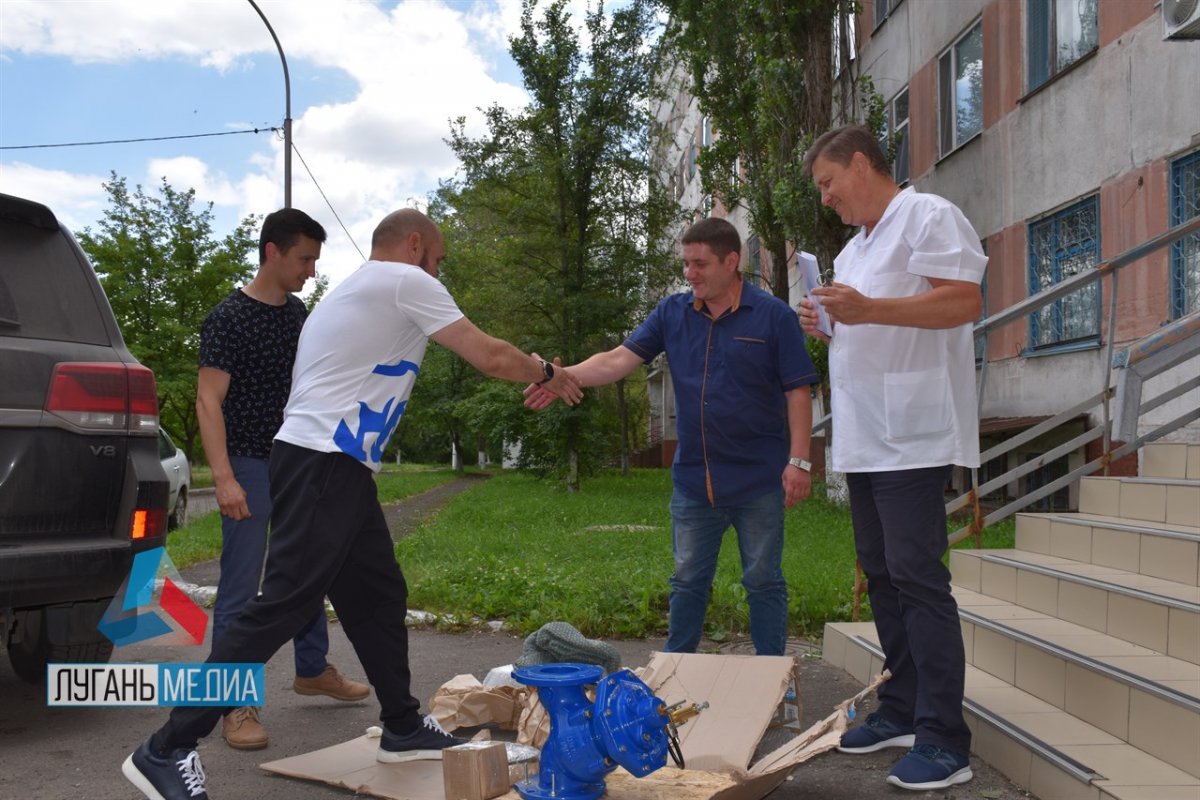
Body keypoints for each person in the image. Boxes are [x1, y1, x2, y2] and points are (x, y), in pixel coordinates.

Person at [123, 209, 583, 800]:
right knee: (284, 604)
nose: (438, 272)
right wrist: (548, 370)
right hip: (321, 463)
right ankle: (166, 747)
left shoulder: (355, 293)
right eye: (438, 259)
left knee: (378, 594)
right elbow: (490, 355)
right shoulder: (404, 279)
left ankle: (401, 725)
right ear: (414, 245)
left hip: (337, 465)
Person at [526, 217, 818, 656]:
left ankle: (771, 673)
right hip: (694, 480)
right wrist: (561, 376)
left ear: (732, 261)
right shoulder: (672, 313)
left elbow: (797, 390)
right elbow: (618, 359)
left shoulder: (773, 315)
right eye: (685, 263)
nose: (689, 273)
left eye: (699, 263)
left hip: (759, 480)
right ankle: (676, 669)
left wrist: (799, 461)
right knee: (686, 580)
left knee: (763, 580)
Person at [799, 125, 986, 792]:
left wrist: (868, 307)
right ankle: (902, 707)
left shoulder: (928, 215)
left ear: (860, 163)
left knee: (916, 575)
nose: (825, 198)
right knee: (880, 571)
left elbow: (964, 301)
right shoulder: (853, 250)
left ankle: (944, 738)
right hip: (867, 435)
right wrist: (830, 321)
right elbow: (865, 324)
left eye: (828, 182)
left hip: (913, 432)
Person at [196, 208, 369, 751]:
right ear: (273, 252)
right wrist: (224, 478)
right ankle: (233, 705)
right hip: (247, 464)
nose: (311, 270)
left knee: (305, 570)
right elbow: (207, 400)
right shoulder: (229, 318)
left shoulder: (299, 314)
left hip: (298, 460)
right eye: (304, 259)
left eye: (315, 260)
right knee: (242, 588)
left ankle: (312, 669)